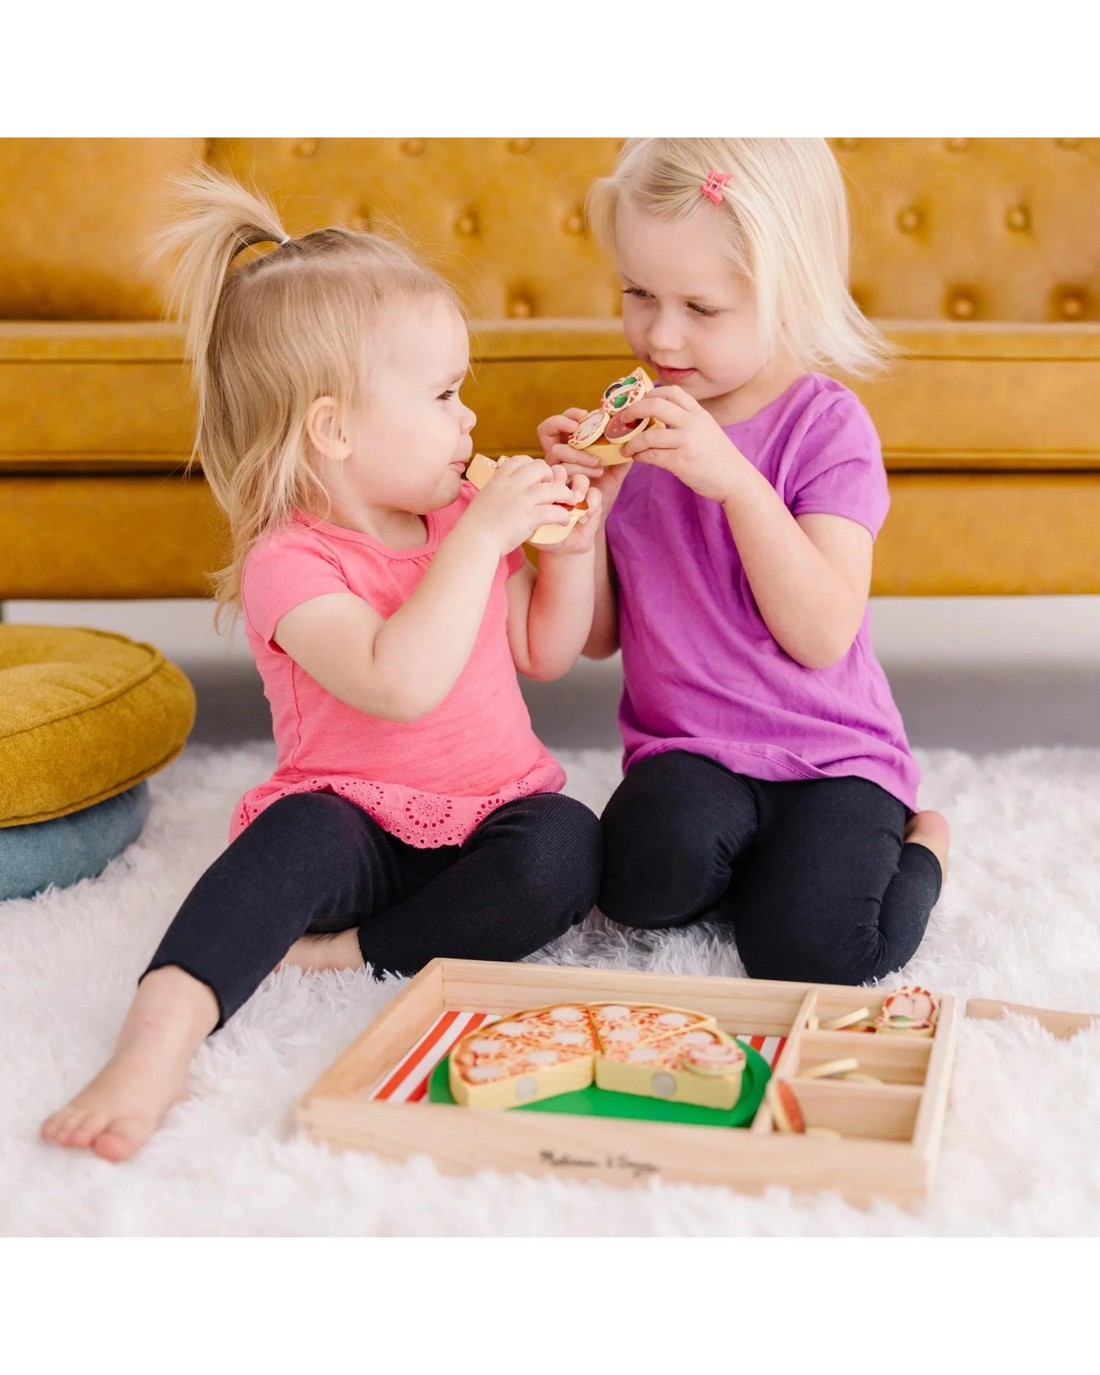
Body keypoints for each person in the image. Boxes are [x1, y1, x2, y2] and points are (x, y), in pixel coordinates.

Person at [41, 169, 603, 1162]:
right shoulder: (289, 562)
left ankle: (348, 954)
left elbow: (541, 651)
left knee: (566, 846)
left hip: (494, 813)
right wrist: (484, 540)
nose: (470, 420)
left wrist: (568, 551)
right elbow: (397, 679)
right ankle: (158, 1037)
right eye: (442, 395)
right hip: (357, 825)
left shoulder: (457, 518)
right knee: (285, 844)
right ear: (334, 428)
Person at [540, 138, 949, 987]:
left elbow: (821, 633)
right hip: (690, 750)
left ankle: (925, 844)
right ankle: (759, 858)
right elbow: (599, 638)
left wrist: (735, 481)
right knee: (638, 882)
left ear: (789, 299)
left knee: (817, 951)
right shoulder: (641, 431)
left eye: (702, 307)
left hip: (833, 757)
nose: (660, 333)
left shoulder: (827, 426)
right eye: (638, 293)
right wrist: (584, 521)